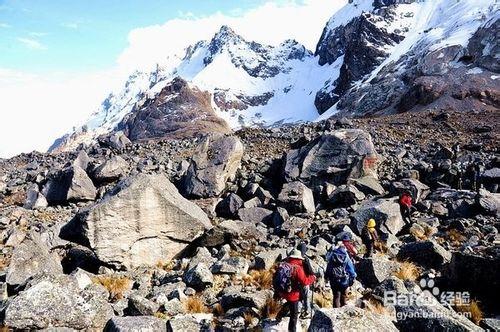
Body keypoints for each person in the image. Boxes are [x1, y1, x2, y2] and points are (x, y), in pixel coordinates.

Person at [274, 249, 316, 331]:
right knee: (294, 315)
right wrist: (313, 278)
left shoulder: (283, 265)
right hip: (292, 294)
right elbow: (305, 281)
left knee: (290, 302)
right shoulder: (297, 268)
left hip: (282, 291)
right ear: (299, 258)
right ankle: (292, 330)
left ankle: (280, 315)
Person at [325, 242, 356, 308]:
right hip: (344, 280)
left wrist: (326, 277)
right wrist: (352, 279)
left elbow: (329, 268)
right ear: (344, 248)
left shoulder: (332, 256)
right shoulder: (346, 257)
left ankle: (335, 314)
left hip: (333, 280)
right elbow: (351, 270)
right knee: (344, 296)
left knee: (336, 297)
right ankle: (343, 313)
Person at [298, 242, 314, 319]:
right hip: (304, 280)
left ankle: (298, 310)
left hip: (296, 281)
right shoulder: (305, 259)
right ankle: (307, 311)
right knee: (306, 296)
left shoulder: (294, 258)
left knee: (299, 296)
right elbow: (310, 271)